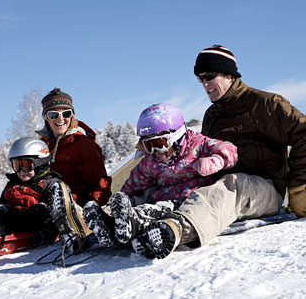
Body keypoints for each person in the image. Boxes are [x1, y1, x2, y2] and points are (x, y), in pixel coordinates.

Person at [109, 44, 306, 260]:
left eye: (209, 76)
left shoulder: (266, 104)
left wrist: (298, 184)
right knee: (157, 187)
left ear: (229, 75)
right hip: (215, 190)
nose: (205, 84)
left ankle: (174, 230)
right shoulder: (212, 115)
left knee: (233, 182)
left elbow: (303, 133)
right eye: (200, 79)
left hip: (263, 188)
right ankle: (118, 220)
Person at [82, 103, 238, 256]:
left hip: (187, 202)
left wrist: (216, 160)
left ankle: (133, 224)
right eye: (148, 146)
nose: (155, 151)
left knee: (155, 210)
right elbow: (134, 183)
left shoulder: (198, 144)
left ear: (177, 136)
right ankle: (109, 222)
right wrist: (120, 201)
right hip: (161, 198)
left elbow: (229, 150)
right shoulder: (151, 161)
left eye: (160, 143)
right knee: (141, 199)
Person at [36, 87, 112, 207]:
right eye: (53, 114)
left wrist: (93, 210)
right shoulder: (40, 147)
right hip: (45, 208)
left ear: (72, 116)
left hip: (76, 210)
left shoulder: (84, 145)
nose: (60, 118)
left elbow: (100, 185)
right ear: (46, 118)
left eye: (66, 113)